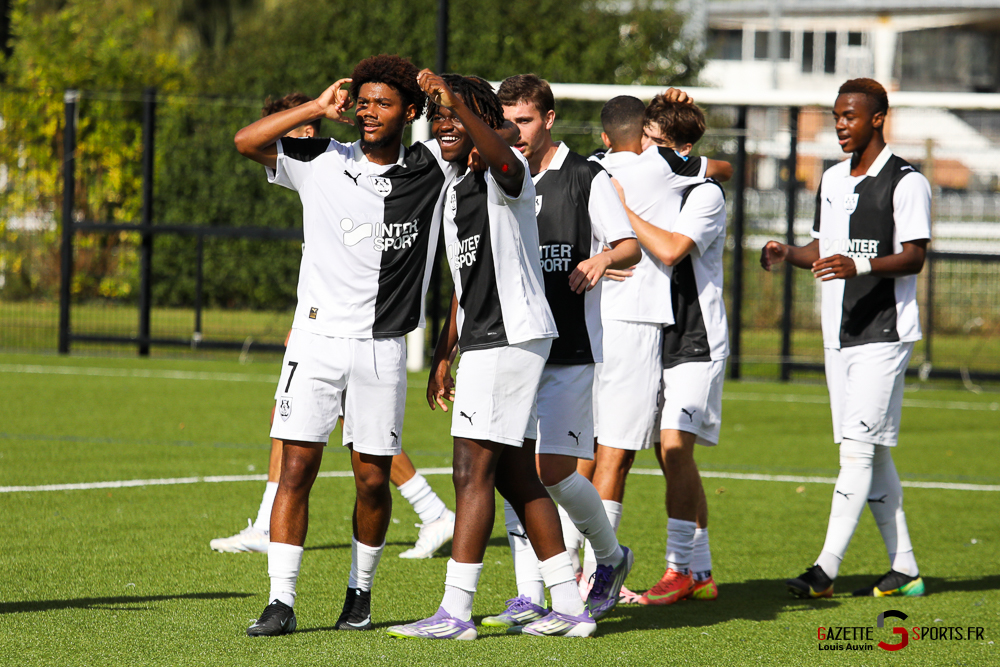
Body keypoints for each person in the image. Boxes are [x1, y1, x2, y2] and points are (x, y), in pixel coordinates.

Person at [233, 54, 460, 636]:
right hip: (314, 340)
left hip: (382, 348)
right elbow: (245, 141)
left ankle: (359, 592)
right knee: (296, 472)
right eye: (363, 101)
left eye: (383, 103)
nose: (368, 111)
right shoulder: (321, 158)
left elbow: (497, 130)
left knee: (371, 480)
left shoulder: (433, 166)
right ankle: (280, 602)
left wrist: (443, 95)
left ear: (410, 112)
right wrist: (314, 107)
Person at [386, 71, 592, 640]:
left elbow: (502, 155)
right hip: (487, 340)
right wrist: (447, 350)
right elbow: (465, 281)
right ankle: (572, 607)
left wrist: (462, 105)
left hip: (511, 337)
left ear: (483, 121)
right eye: (439, 115)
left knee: (469, 470)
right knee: (516, 477)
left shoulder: (509, 172)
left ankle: (455, 613)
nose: (444, 124)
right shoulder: (455, 187)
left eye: (454, 114)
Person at [473, 74, 640, 632]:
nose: (513, 131)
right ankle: (528, 594)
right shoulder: (500, 175)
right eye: (505, 121)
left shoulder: (586, 177)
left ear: (547, 118)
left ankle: (611, 557)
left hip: (569, 346)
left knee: (553, 471)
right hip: (515, 344)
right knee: (511, 467)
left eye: (522, 121)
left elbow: (630, 246)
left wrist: (599, 261)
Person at [761, 77, 929, 599]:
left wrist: (858, 264)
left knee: (856, 454)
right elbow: (824, 248)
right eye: (836, 115)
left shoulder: (907, 182)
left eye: (850, 116)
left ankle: (824, 571)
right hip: (839, 334)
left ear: (877, 118)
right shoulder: (832, 179)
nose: (840, 124)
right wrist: (790, 253)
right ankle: (905, 569)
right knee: (872, 453)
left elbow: (915, 256)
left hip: (884, 333)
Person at [585, 93, 732, 604]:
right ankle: (702, 569)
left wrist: (621, 210)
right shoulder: (653, 170)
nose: (647, 150)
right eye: (644, 138)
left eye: (658, 142)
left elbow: (669, 249)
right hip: (656, 333)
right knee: (660, 453)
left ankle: (678, 569)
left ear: (681, 150)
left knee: (673, 448)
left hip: (696, 338)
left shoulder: (705, 194)